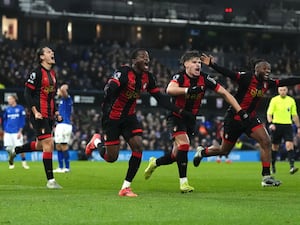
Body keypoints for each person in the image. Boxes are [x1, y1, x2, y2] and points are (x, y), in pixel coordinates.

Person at [85, 48, 194, 197]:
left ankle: (125, 188)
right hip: (112, 118)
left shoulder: (148, 78)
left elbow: (160, 98)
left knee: (138, 147)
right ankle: (97, 142)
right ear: (135, 60)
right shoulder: (124, 73)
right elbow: (110, 89)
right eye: (143, 57)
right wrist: (111, 91)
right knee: (112, 158)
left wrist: (179, 111)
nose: (147, 59)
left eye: (148, 57)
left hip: (129, 118)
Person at [143, 50, 248, 192]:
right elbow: (169, 89)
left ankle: (154, 162)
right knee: (184, 145)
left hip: (190, 119)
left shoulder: (205, 79)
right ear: (186, 64)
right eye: (194, 62)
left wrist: (240, 110)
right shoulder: (179, 77)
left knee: (175, 155)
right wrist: (189, 90)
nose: (198, 64)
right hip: (176, 116)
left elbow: (224, 93)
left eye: (199, 62)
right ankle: (184, 183)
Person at [193, 54, 300, 187]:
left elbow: (287, 81)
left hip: (250, 118)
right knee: (224, 150)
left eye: (269, 69)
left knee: (266, 141)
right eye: (265, 69)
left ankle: (266, 177)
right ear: (256, 69)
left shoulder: (268, 83)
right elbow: (229, 73)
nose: (268, 71)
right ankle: (202, 152)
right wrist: (212, 64)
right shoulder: (246, 77)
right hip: (234, 118)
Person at [8, 46, 63, 189]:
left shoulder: (53, 74)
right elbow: (27, 93)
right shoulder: (36, 73)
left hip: (50, 115)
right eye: (49, 52)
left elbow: (51, 96)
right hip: (39, 114)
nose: (52, 53)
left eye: (52, 51)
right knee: (49, 143)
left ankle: (17, 150)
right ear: (42, 57)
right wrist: (35, 111)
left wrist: (56, 112)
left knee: (40, 145)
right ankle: (50, 180)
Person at [266, 86, 299, 174]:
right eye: (281, 90)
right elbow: (269, 113)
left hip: (287, 125)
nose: (283, 92)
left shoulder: (291, 100)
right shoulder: (274, 100)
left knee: (289, 145)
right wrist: (271, 123)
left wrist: (299, 127)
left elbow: (294, 115)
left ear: (287, 90)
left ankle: (292, 166)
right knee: (275, 147)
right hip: (276, 125)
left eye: (284, 90)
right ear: (278, 90)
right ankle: (272, 165)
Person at [2, 94, 29, 169]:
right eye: (8, 99)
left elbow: (22, 121)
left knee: (20, 148)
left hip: (17, 132)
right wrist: (4, 130)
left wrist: (20, 131)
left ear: (14, 99)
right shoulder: (7, 109)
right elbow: (5, 120)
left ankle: (24, 163)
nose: (8, 101)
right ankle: (11, 163)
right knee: (8, 149)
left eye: (10, 99)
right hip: (8, 132)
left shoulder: (20, 108)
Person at [54, 84, 73, 173]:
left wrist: (63, 88)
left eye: (58, 91)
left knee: (63, 145)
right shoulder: (61, 101)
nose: (57, 92)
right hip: (60, 125)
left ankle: (67, 167)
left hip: (65, 125)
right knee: (58, 145)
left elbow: (64, 91)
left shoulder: (67, 99)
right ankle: (61, 167)